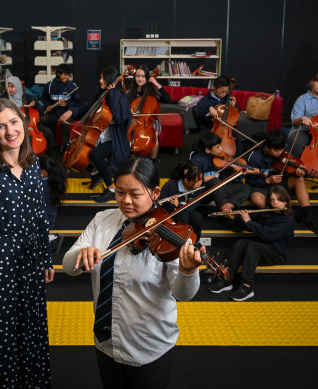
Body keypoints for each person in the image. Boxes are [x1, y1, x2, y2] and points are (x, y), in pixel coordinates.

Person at [62, 157, 204, 389]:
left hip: (148, 348)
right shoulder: (102, 220)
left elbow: (183, 293)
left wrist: (189, 271)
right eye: (119, 192)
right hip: (106, 342)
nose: (125, 201)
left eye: (135, 194)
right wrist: (81, 254)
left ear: (155, 192)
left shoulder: (168, 232)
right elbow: (69, 267)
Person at [0, 98, 54, 387]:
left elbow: (40, 217)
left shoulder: (32, 163)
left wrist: (45, 259)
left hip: (29, 266)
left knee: (31, 335)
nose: (9, 131)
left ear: (24, 124)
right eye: (0, 126)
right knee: (1, 342)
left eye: (14, 122)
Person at [207, 185, 294, 301]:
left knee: (252, 246)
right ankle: (226, 279)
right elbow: (249, 224)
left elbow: (268, 234)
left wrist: (249, 221)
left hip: (276, 252)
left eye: (279, 199)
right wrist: (234, 217)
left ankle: (247, 287)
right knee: (241, 242)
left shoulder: (287, 220)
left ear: (286, 201)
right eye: (272, 200)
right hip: (262, 248)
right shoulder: (267, 213)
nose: (275, 203)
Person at [246, 130, 318, 234]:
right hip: (262, 187)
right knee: (256, 199)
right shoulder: (255, 157)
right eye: (276, 150)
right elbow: (250, 181)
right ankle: (292, 214)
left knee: (298, 179)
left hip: (280, 184)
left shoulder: (284, 150)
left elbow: (289, 167)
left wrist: (297, 171)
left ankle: (308, 216)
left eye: (281, 149)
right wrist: (267, 180)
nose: (280, 152)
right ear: (267, 147)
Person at [87, 66, 133, 203]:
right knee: (79, 153)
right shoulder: (102, 93)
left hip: (116, 141)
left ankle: (111, 189)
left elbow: (120, 118)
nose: (100, 81)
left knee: (95, 154)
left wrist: (112, 94)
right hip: (100, 136)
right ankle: (97, 172)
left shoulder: (117, 95)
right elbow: (88, 108)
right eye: (100, 78)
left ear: (110, 79)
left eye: (103, 78)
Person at [190, 130, 253, 229]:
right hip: (204, 193)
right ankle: (226, 212)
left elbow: (228, 179)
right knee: (215, 181)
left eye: (221, 145)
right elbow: (193, 181)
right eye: (218, 147)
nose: (222, 149)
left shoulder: (221, 157)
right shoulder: (196, 160)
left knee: (246, 188)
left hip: (219, 191)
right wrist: (213, 177)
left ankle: (226, 208)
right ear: (207, 150)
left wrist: (241, 173)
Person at [126, 64, 174, 164]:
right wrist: (128, 110)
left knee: (154, 134)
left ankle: (153, 162)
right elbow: (124, 107)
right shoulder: (130, 92)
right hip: (134, 120)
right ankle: (131, 160)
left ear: (147, 78)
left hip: (150, 120)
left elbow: (168, 100)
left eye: (143, 76)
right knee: (128, 134)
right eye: (137, 76)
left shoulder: (153, 91)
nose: (140, 79)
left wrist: (157, 84)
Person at [3, 76, 56, 157]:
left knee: (48, 132)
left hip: (31, 126)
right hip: (13, 128)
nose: (9, 89)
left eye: (12, 86)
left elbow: (42, 111)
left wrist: (34, 106)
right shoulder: (4, 98)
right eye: (7, 86)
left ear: (18, 86)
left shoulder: (28, 97)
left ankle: (50, 158)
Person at [191, 75, 243, 152]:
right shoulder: (204, 100)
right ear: (214, 88)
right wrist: (209, 109)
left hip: (226, 128)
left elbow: (236, 112)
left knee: (238, 143)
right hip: (209, 127)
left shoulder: (227, 98)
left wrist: (233, 107)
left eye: (226, 92)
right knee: (201, 144)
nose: (224, 94)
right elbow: (198, 114)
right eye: (222, 91)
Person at [39, 63, 82, 148]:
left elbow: (78, 103)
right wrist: (47, 106)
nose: (67, 77)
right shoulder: (49, 85)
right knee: (42, 120)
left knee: (64, 123)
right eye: (65, 75)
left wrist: (66, 104)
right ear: (58, 73)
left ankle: (66, 148)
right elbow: (44, 99)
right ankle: (48, 144)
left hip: (67, 114)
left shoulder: (72, 86)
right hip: (54, 113)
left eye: (69, 75)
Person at [160, 161, 204, 237]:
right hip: (171, 214)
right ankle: (182, 240)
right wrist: (168, 203)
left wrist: (178, 204)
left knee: (197, 217)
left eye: (201, 179)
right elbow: (164, 205)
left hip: (187, 211)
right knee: (183, 216)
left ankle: (195, 241)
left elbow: (191, 208)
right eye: (197, 181)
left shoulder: (198, 189)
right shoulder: (170, 185)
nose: (200, 183)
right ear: (186, 180)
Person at [39, 154, 67, 255]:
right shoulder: (53, 182)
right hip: (50, 217)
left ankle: (53, 237)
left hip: (44, 219)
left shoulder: (41, 186)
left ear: (42, 172)